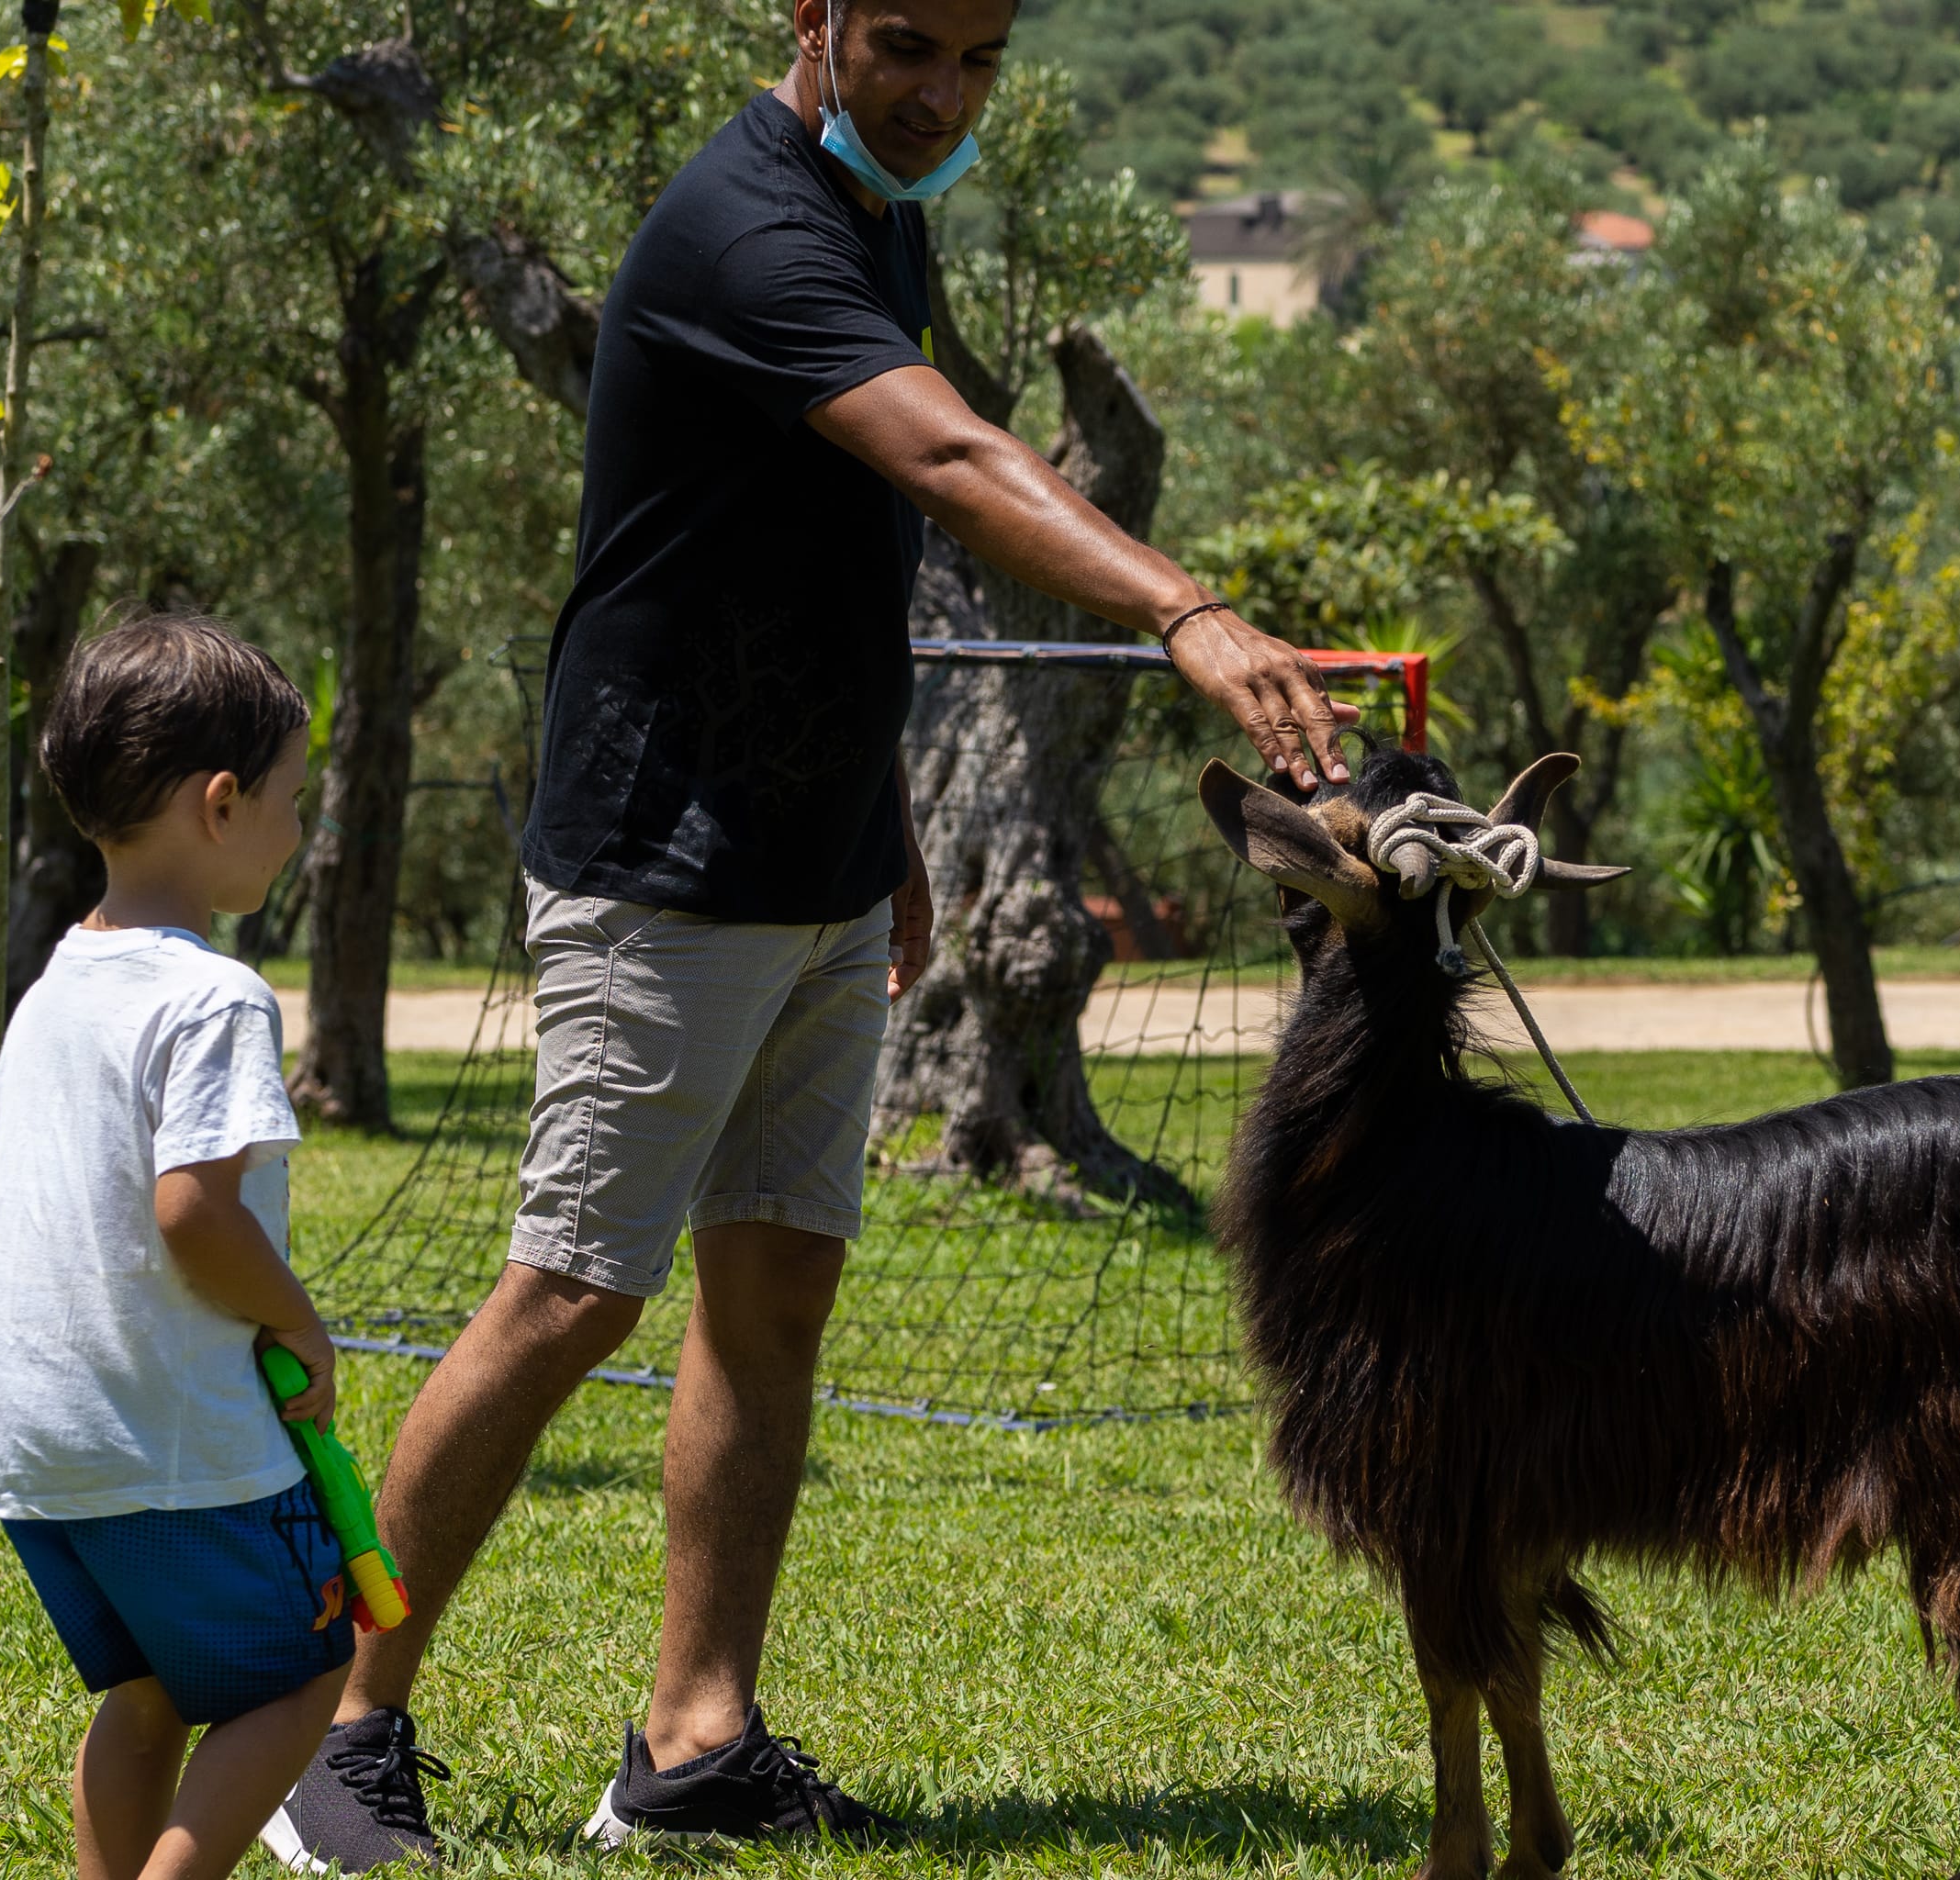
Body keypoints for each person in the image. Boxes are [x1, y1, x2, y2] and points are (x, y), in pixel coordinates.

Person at [262, 0, 1359, 1865]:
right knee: (571, 1287)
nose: (941, 96)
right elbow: (943, 462)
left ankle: (692, 1745)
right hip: (661, 857)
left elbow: (850, 556)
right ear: (817, 23)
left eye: (981, 62)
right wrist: (1187, 610)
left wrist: (893, 828)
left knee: (772, 1295)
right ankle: (328, 1733)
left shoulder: (883, 219)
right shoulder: (748, 228)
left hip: (820, 857)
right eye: (910, 47)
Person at [0, 615, 333, 1880]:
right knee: (301, 1679)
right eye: (296, 800)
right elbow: (195, 1212)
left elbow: (2, 1187)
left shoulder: (46, 992)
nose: (303, 830)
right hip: (171, 1445)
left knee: (141, 1697)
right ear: (220, 803)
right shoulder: (214, 993)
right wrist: (297, 1322)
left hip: (38, 1450)